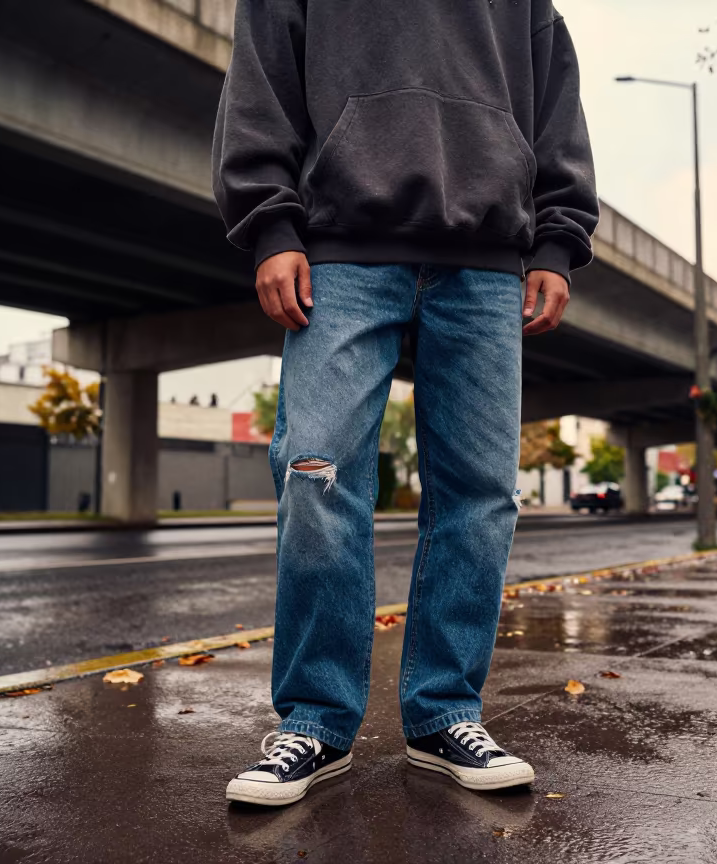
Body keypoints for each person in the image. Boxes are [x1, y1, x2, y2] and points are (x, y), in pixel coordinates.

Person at [212, 0, 598, 806]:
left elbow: (557, 99)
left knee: (482, 493)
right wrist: (272, 225)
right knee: (316, 471)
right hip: (343, 250)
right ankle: (315, 720)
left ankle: (444, 712)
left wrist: (557, 238)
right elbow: (261, 77)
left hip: (488, 262)